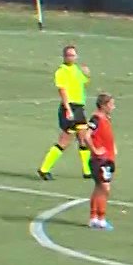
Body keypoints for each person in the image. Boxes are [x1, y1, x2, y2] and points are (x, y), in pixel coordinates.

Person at [38, 44, 93, 180]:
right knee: (65, 140)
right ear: (64, 56)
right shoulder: (61, 71)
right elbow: (62, 90)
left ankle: (87, 171)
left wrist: (87, 74)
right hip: (70, 108)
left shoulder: (76, 70)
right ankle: (44, 169)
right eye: (69, 55)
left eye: (73, 55)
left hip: (79, 108)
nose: (71, 57)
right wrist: (68, 109)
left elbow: (83, 83)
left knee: (83, 138)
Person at [84, 93, 117, 230]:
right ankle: (101, 219)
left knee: (99, 187)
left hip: (107, 158)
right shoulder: (96, 118)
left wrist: (113, 146)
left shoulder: (105, 118)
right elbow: (86, 136)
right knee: (105, 188)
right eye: (111, 104)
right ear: (103, 105)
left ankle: (94, 218)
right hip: (100, 160)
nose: (113, 107)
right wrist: (95, 149)